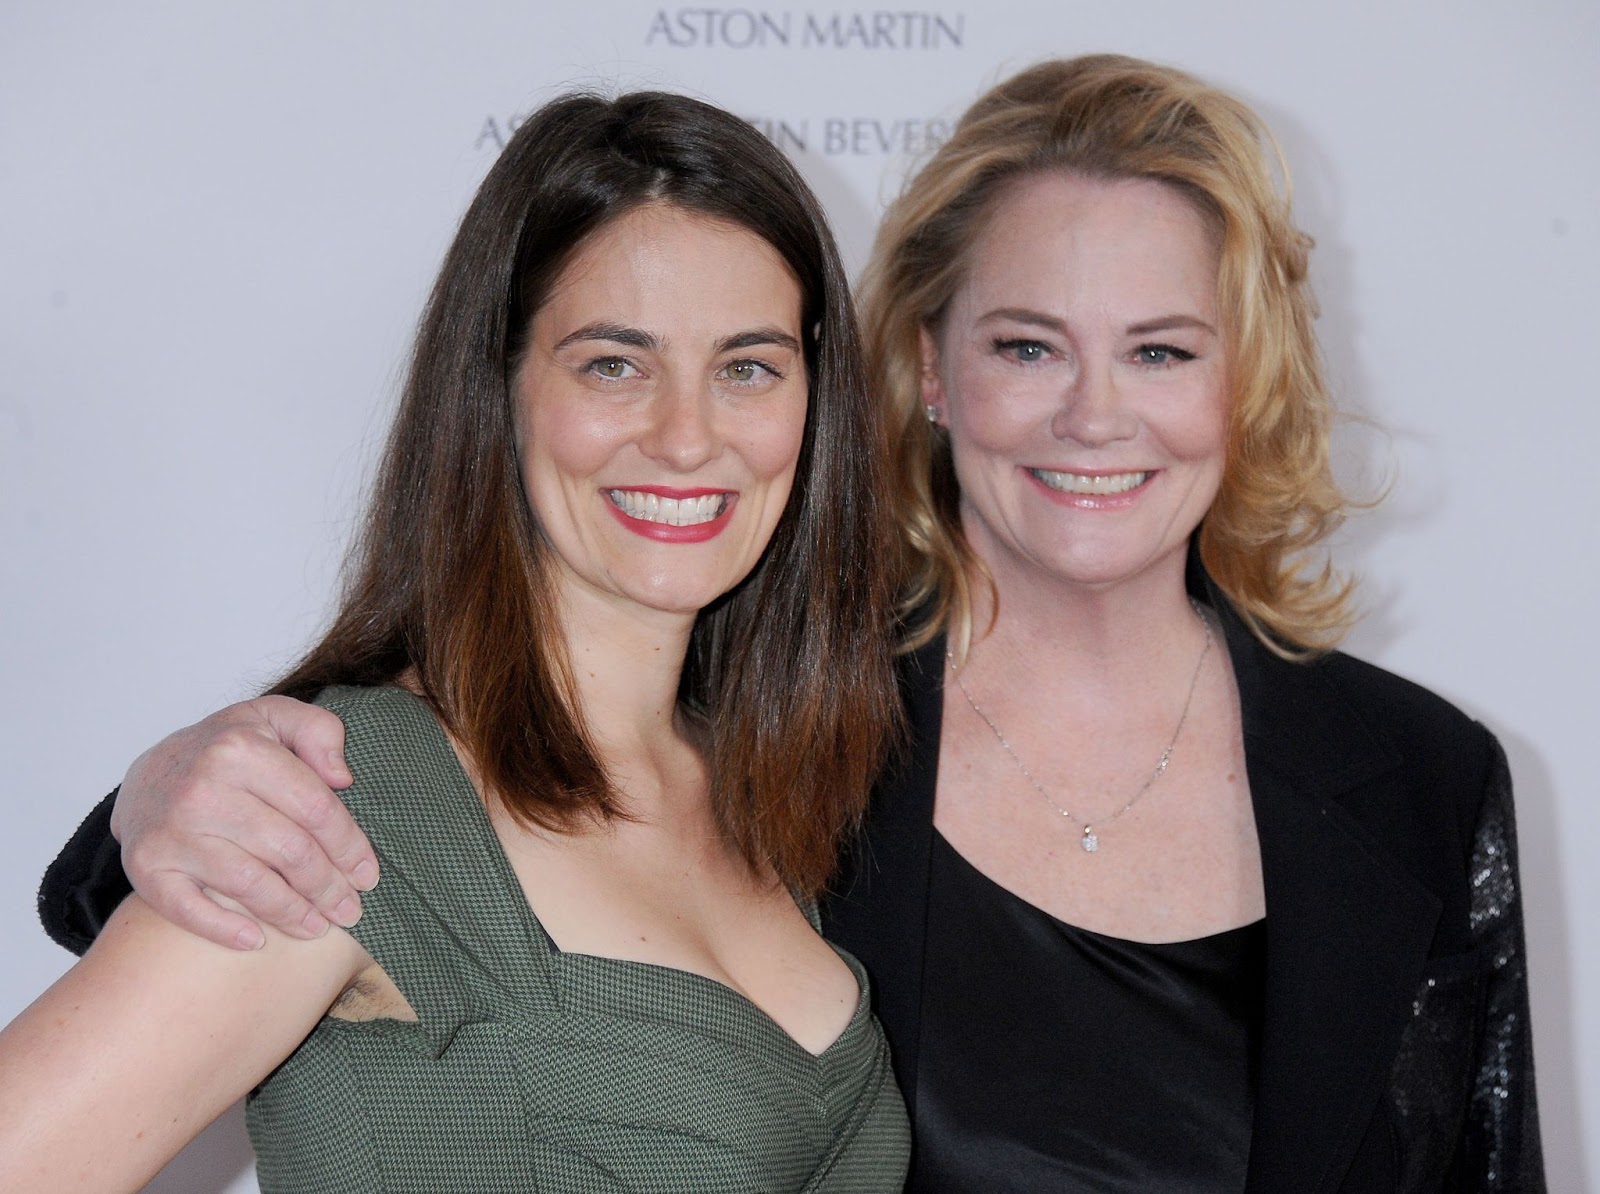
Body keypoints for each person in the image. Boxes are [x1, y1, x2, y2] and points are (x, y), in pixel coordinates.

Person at [33, 55, 1542, 1192]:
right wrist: (167, 792)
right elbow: (371, 848)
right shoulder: (800, 705)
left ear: (1248, 378)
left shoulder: (1416, 779)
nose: (1096, 411)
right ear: (928, 371)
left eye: (1160, 348)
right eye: (1027, 343)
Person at [3, 89, 911, 1192]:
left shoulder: (769, 800)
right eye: (612, 364)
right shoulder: (349, 798)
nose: (686, 436)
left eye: (748, 366)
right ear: (499, 388)